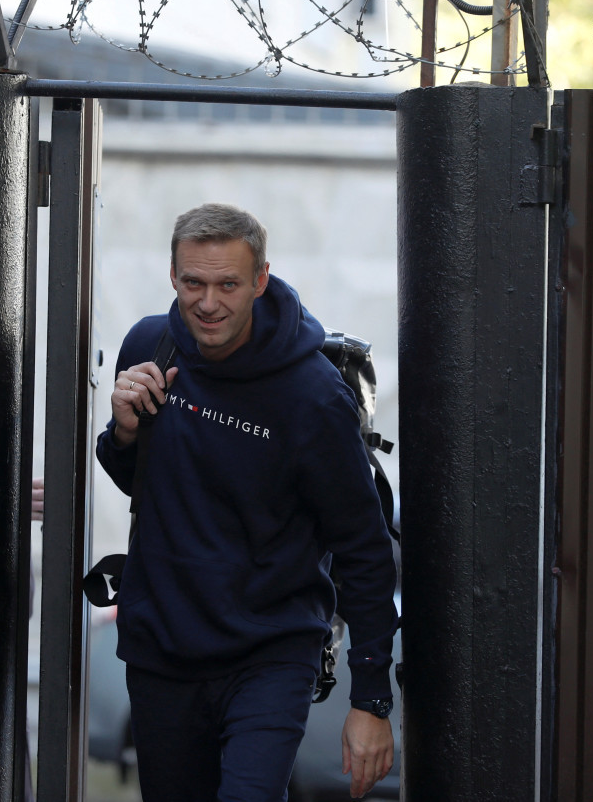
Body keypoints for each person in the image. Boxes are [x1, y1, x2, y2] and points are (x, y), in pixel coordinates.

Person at [96, 203, 398, 801]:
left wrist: (371, 700)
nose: (208, 302)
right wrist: (123, 433)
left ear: (261, 280)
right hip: (162, 649)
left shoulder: (313, 397)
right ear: (173, 277)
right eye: (193, 283)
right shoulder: (151, 345)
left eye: (228, 284)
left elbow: (365, 550)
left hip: (270, 653)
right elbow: (144, 482)